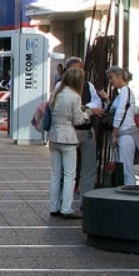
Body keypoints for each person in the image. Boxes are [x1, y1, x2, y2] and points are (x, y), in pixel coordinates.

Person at [47, 67, 88, 218]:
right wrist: (87, 114)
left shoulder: (56, 94)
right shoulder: (75, 96)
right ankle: (66, 208)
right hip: (68, 137)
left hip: (54, 136)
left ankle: (53, 206)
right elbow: (77, 120)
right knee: (70, 174)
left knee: (55, 174)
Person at [62, 56, 104, 202]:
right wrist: (86, 108)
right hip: (69, 131)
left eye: (82, 70)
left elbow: (97, 104)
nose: (80, 73)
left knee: (89, 168)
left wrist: (84, 107)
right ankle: (64, 200)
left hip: (86, 131)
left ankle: (86, 199)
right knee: (68, 169)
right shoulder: (61, 87)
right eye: (76, 70)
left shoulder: (88, 86)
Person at [106, 66, 139, 186]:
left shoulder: (124, 91)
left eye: (111, 77)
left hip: (125, 134)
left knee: (126, 169)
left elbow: (120, 112)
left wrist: (114, 132)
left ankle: (130, 190)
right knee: (123, 168)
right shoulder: (122, 93)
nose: (110, 81)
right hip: (123, 134)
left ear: (119, 77)